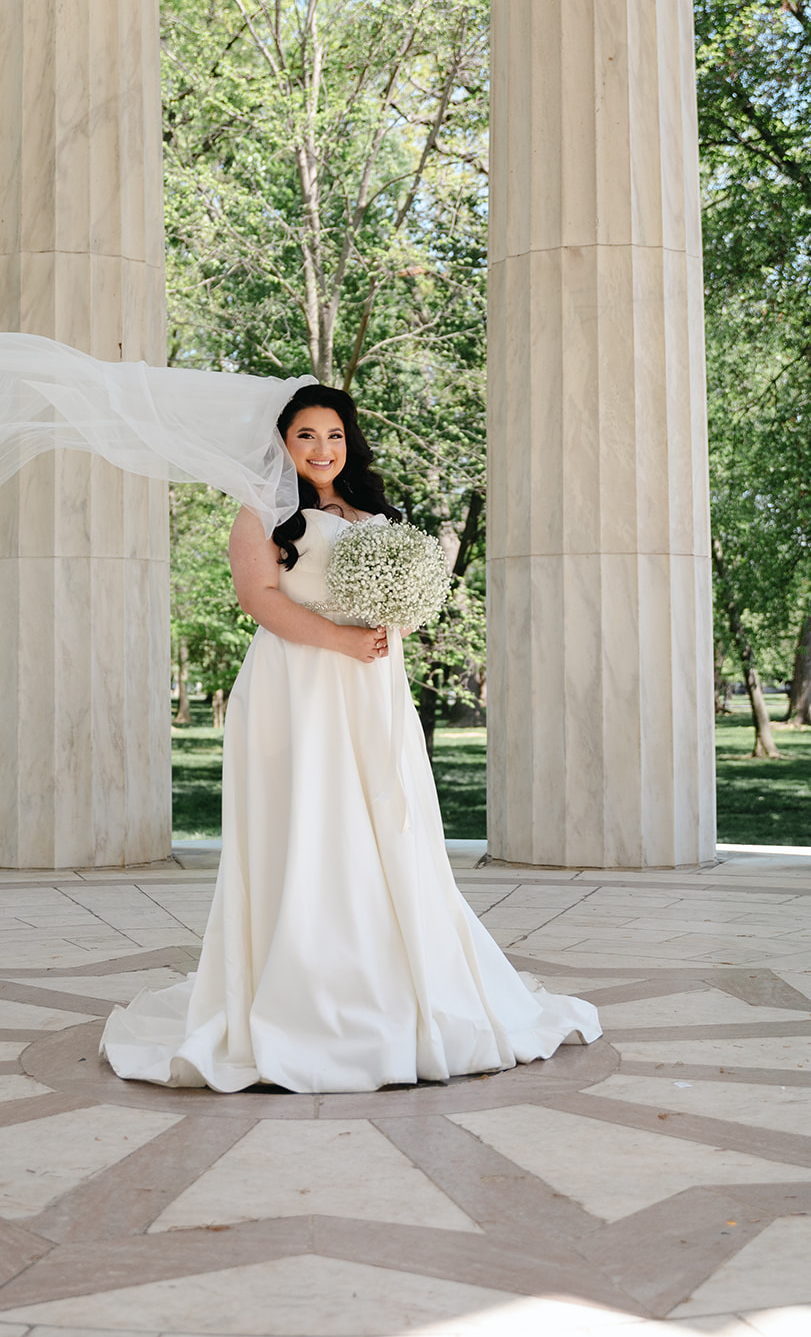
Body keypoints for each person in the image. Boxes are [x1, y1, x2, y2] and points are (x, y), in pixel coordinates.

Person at [101, 384, 601, 1094]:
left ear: (348, 439)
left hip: (369, 689)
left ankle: (395, 978)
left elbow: (397, 598)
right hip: (296, 687)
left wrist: (395, 614)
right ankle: (302, 988)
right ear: (281, 443)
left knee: (384, 827)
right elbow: (259, 599)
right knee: (310, 825)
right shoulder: (263, 513)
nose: (321, 449)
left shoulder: (376, 513)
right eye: (305, 436)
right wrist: (340, 639)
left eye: (332, 435)